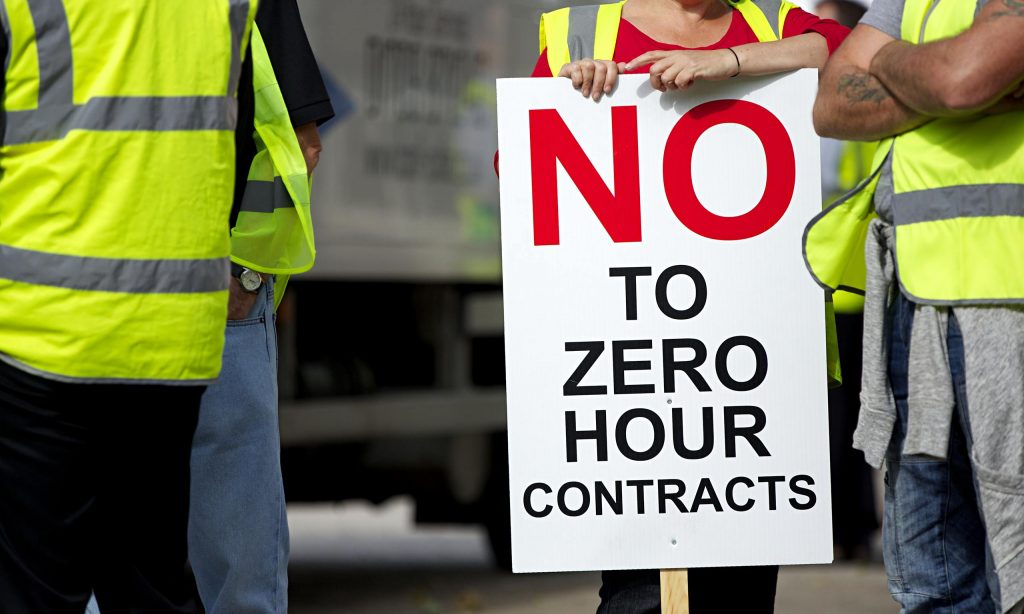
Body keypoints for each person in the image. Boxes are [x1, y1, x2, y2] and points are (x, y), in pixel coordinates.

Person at [532, 1, 848, 612]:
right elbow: (520, 168)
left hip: (747, 374)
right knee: (639, 595)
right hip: (636, 370)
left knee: (741, 591)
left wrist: (729, 61)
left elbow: (848, 50)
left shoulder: (769, 20)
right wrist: (571, 100)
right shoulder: (581, 32)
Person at [0, 1, 256, 612]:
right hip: (171, 334)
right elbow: (241, 131)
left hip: (42, 329)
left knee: (34, 591)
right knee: (150, 583)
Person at [83, 1, 333, 613]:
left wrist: (243, 272)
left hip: (114, 296)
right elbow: (298, 144)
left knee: (98, 557)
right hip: (192, 295)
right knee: (232, 575)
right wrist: (243, 270)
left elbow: (294, 144)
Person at [806, 0, 1024, 611]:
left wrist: (887, 60)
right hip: (916, 299)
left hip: (1007, 302)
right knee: (933, 581)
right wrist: (950, 80)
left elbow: (960, 83)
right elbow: (831, 104)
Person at [813, 0, 881, 562]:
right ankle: (850, 529)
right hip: (846, 283)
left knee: (843, 417)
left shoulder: (831, 109)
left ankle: (846, 528)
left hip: (840, 287)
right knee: (850, 415)